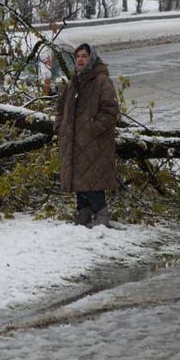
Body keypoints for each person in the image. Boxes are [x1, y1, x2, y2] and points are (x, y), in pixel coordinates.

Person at [54, 43, 120, 228]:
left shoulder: (101, 81)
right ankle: (83, 213)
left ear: (92, 58)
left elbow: (110, 109)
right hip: (74, 141)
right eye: (78, 56)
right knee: (79, 178)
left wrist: (93, 129)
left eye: (84, 56)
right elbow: (60, 108)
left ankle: (101, 215)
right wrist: (60, 126)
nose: (81, 59)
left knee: (93, 179)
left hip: (95, 143)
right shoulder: (74, 82)